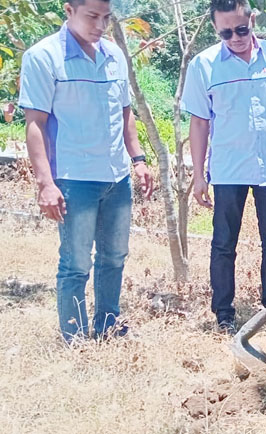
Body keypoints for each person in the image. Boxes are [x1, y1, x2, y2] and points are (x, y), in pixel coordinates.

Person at [18, 0, 154, 342]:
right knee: (76, 263)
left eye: (106, 17)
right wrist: (45, 183)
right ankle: (75, 339)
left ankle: (108, 327)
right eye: (92, 16)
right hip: (74, 177)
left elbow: (125, 113)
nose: (100, 25)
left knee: (115, 256)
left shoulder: (114, 55)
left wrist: (137, 160)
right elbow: (35, 123)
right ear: (69, 10)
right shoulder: (44, 56)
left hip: (116, 176)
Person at [181, 0, 266, 333]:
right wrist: (198, 175)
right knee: (223, 242)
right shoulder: (203, 65)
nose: (236, 37)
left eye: (242, 29)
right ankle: (224, 312)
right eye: (227, 32)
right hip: (227, 168)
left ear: (253, 20)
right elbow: (199, 123)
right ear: (215, 29)